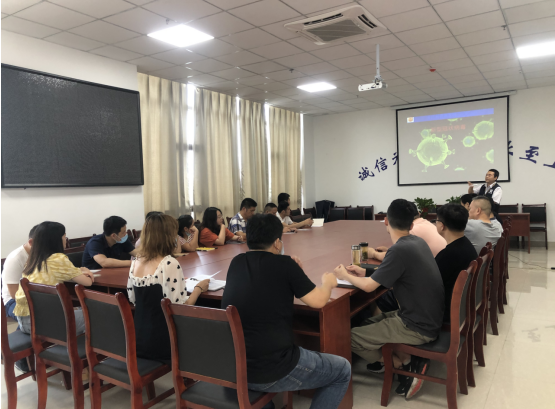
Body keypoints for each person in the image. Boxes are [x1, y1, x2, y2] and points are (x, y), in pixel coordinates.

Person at [222, 214, 350, 409]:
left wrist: (292, 270)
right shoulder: (285, 265)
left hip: (235, 368)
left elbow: (262, 281)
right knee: (342, 370)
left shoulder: (236, 262)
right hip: (273, 369)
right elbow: (318, 301)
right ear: (277, 242)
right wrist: (328, 284)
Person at [333, 199, 444, 399]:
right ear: (412, 224)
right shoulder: (416, 242)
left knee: (349, 337)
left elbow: (369, 287)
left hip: (417, 325)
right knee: (365, 322)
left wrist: (345, 275)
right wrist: (365, 271)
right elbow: (396, 269)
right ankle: (404, 358)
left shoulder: (399, 249)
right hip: (427, 316)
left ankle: (399, 365)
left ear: (385, 221)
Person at [127, 214, 209, 363]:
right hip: (164, 341)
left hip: (138, 339)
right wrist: (198, 288)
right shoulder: (168, 263)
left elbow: (133, 299)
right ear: (168, 236)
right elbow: (181, 307)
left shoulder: (135, 261)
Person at [14, 222, 95, 337]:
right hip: (47, 324)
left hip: (25, 323)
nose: (65, 240)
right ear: (57, 240)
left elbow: (54, 273)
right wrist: (86, 271)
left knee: (78, 309)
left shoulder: (33, 260)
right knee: (100, 313)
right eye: (64, 236)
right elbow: (88, 282)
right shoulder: (58, 259)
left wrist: (77, 271)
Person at [434, 204, 478, 323]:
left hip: (446, 311)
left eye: (436, 221)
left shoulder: (448, 255)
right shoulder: (466, 244)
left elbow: (430, 286)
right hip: (462, 306)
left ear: (442, 226)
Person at [364, 203, 446, 262]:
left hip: (438, 268)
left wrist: (374, 254)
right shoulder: (425, 222)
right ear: (418, 213)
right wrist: (389, 250)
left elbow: (396, 258)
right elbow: (402, 252)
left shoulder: (412, 229)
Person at [2, 225, 38, 320]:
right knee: (36, 317)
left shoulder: (42, 255)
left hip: (35, 297)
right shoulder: (15, 258)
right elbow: (14, 294)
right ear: (31, 242)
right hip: (13, 301)